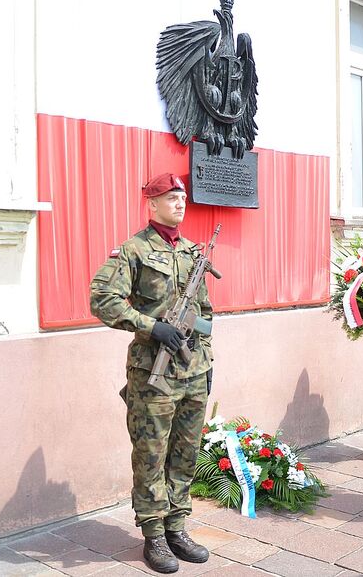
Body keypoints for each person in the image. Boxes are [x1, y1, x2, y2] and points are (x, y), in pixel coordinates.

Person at [89, 172, 212, 574]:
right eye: (171, 198)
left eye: (182, 198)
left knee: (185, 453)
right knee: (151, 454)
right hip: (152, 374)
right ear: (152, 204)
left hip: (193, 371)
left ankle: (177, 526)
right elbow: (102, 298)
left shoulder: (193, 252)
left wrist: (206, 361)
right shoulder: (133, 250)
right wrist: (150, 326)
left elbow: (205, 313)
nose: (179, 204)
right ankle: (154, 535)